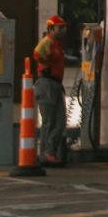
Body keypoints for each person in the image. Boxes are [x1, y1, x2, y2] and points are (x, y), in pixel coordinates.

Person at [32, 15, 67, 168]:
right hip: (47, 84)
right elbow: (37, 54)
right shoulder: (48, 42)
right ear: (51, 29)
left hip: (55, 84)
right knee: (49, 121)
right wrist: (46, 65)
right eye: (60, 27)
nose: (63, 30)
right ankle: (45, 153)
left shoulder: (56, 44)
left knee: (60, 121)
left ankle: (50, 151)